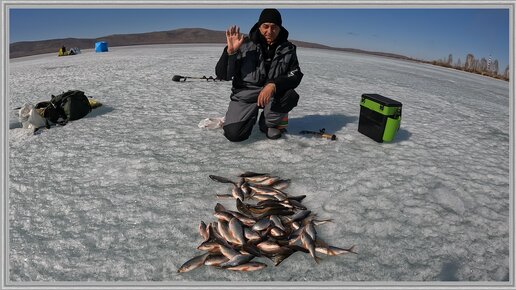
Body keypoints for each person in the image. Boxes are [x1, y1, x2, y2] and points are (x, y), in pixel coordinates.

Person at [216, 8, 303, 141]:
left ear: (280, 28)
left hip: (272, 95)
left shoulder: (288, 49)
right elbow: (224, 75)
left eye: (274, 27)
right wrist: (230, 53)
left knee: (289, 96)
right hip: (246, 95)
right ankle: (248, 117)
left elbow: (295, 75)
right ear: (259, 26)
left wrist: (273, 85)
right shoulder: (244, 45)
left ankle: (269, 123)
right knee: (234, 134)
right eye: (265, 26)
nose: (269, 31)